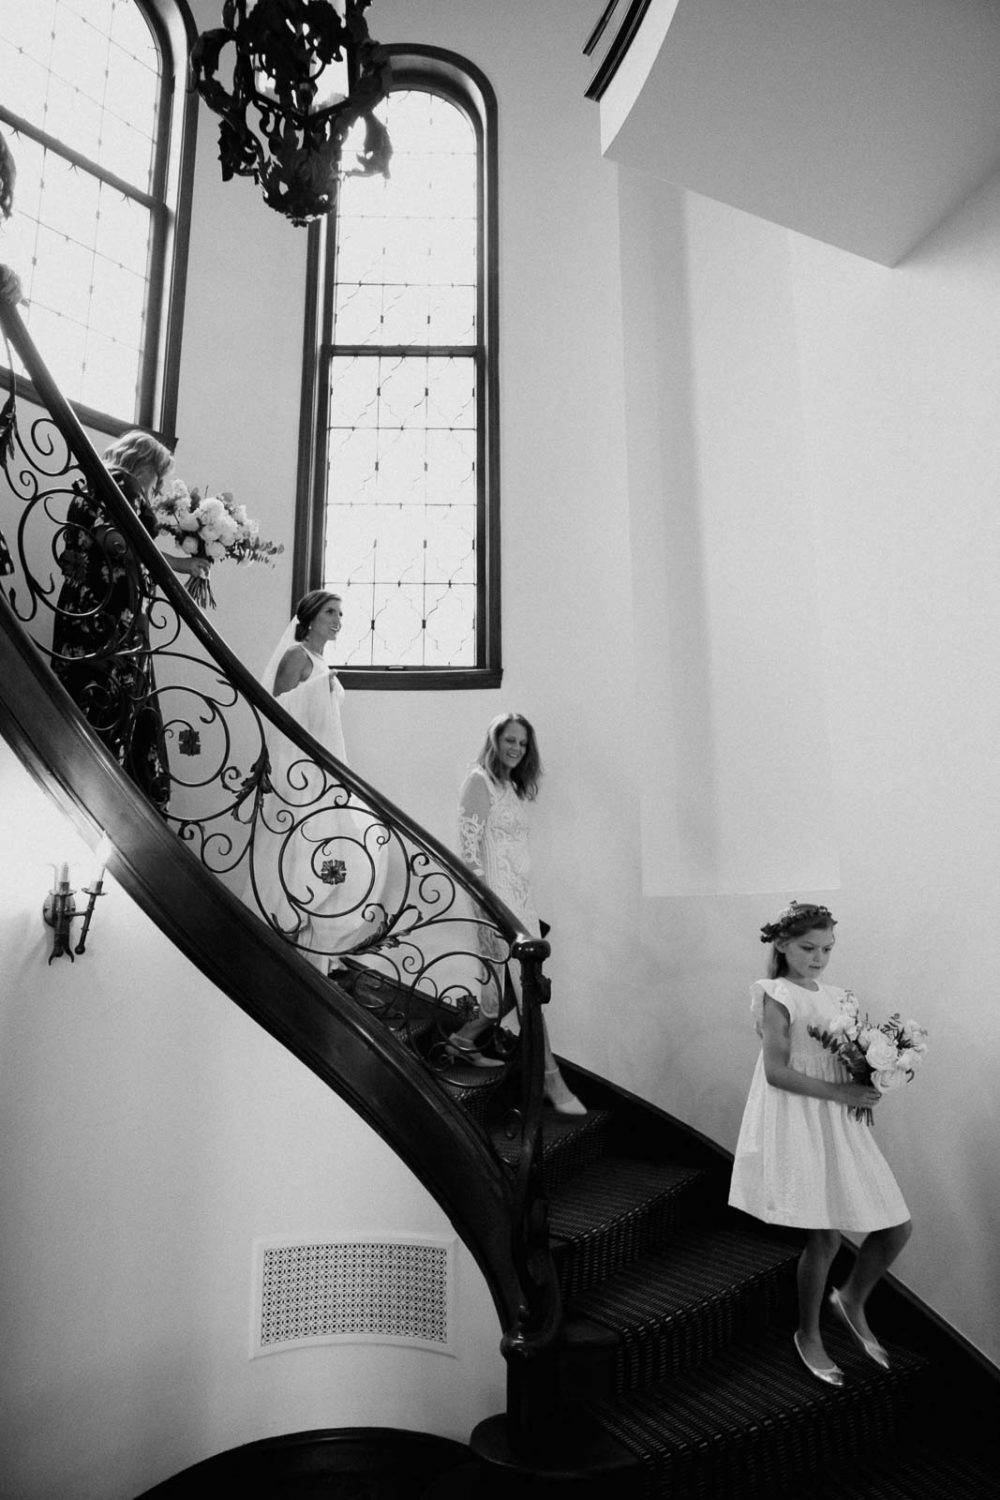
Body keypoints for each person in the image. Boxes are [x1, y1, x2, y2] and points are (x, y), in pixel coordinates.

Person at [728, 901, 912, 1387]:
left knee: (896, 1226)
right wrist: (843, 1091)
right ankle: (808, 1332)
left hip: (840, 1121)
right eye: (808, 948)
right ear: (783, 945)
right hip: (800, 1119)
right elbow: (776, 1071)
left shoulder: (838, 996)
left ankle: (850, 1298)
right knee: (825, 1236)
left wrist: (872, 1077)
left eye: (827, 949)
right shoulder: (775, 993)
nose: (818, 957)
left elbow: (844, 1055)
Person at [52, 430, 211, 812]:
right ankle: (114, 789)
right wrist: (175, 565)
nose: (154, 492)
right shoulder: (122, 484)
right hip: (110, 611)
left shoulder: (94, 485)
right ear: (141, 466)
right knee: (117, 695)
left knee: (91, 690)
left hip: (84, 604)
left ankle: (93, 778)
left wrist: (180, 564)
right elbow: (123, 543)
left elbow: (125, 544)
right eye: (155, 481)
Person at [453, 712, 585, 1115]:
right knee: (526, 990)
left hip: (521, 900)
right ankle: (550, 1077)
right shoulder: (479, 781)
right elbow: (469, 852)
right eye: (510, 740)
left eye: (523, 744)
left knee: (506, 993)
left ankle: (462, 1039)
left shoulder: (510, 785)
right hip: (496, 904)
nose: (516, 748)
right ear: (495, 740)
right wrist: (489, 908)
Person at [252, 590, 382, 971]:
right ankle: (285, 938)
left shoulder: (323, 661)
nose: (338, 619)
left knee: (335, 846)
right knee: (300, 849)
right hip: (298, 772)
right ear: (309, 617)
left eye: (341, 613)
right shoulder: (297, 656)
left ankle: (315, 950)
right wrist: (316, 689)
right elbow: (274, 708)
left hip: (323, 769)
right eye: (330, 611)